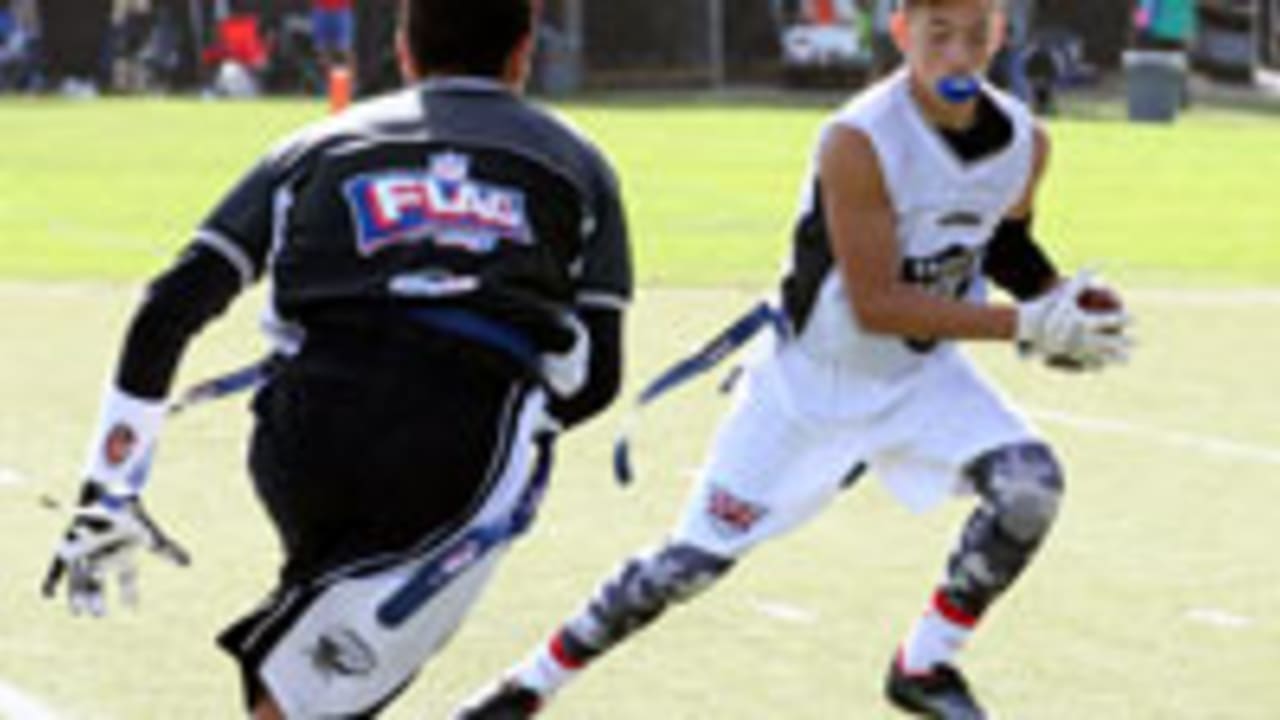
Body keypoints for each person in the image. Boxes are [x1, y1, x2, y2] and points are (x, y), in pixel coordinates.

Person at [455, 0, 1131, 718]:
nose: (958, 54)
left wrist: (1064, 300)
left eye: (976, 34)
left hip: (918, 376)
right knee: (685, 567)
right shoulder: (860, 139)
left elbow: (1004, 245)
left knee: (1030, 489)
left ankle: (924, 667)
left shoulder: (1027, 141)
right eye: (938, 33)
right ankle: (527, 685)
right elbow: (877, 302)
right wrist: (1027, 324)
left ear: (1001, 35)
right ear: (901, 33)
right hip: (810, 384)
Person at [41, 0, 633, 718]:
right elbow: (598, 378)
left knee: (322, 658)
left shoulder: (314, 145)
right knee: (313, 691)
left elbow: (167, 309)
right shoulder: (579, 163)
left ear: (403, 49)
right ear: (524, 52)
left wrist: (111, 484)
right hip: (459, 444)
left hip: (303, 433)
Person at [312, 0, 355, 71]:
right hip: (321, 9)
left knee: (344, 51)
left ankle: (348, 79)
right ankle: (326, 78)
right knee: (321, 53)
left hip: (342, 10)